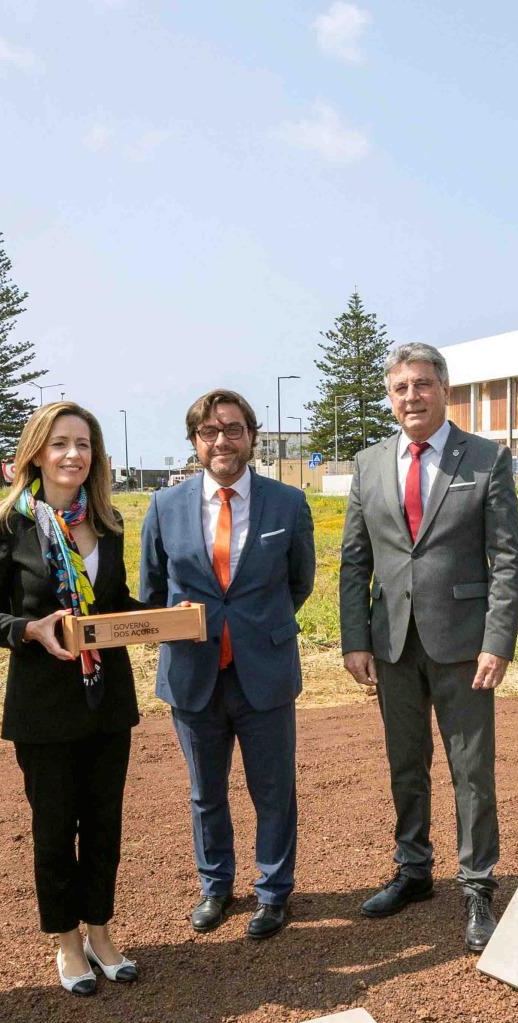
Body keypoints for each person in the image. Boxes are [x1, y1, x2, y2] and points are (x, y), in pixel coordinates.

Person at [339, 343, 518, 950]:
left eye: (422, 384)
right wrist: (354, 639)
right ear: (390, 397)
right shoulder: (369, 464)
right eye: (400, 388)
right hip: (392, 642)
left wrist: (498, 640)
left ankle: (476, 885)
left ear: (445, 389)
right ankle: (414, 868)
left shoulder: (487, 458)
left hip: (465, 644)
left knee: (471, 770)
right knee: (405, 762)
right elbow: (354, 559)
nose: (412, 396)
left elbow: (506, 559)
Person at [0, 401, 143, 994]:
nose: (73, 454)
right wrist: (30, 630)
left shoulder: (109, 523)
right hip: (43, 708)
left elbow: (115, 608)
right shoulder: (7, 525)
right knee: (54, 829)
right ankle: (67, 942)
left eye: (84, 445)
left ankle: (101, 932)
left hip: (107, 702)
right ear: (37, 452)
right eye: (61, 443)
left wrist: (173, 620)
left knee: (104, 825)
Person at [142, 389, 316, 941]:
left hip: (263, 671)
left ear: (251, 437)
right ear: (195, 441)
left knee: (273, 789)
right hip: (192, 675)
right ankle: (215, 886)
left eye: (234, 430)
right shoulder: (165, 507)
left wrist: (256, 625)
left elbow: (299, 582)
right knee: (205, 791)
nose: (222, 441)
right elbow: (151, 590)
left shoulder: (286, 503)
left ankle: (273, 892)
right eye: (210, 432)